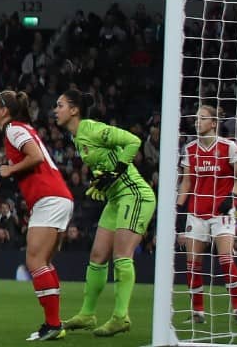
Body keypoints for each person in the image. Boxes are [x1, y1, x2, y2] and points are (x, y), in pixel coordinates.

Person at [56, 88, 153, 337]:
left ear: (74, 110)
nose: (56, 110)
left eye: (60, 105)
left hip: (135, 194)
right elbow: (105, 164)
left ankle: (121, 317)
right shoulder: (77, 138)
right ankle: (87, 315)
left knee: (122, 255)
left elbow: (133, 141)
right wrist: (102, 182)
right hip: (115, 198)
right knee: (98, 255)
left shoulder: (91, 129)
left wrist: (116, 172)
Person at [0, 91, 75, 341]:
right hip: (57, 197)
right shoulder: (20, 128)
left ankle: (53, 324)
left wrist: (10, 169)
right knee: (43, 262)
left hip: (49, 197)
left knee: (35, 261)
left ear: (4, 111)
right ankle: (54, 323)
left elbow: (35, 156)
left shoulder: (13, 129)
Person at [178, 104, 237, 324]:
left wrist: (231, 196)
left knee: (226, 259)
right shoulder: (190, 149)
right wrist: (179, 207)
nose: (197, 122)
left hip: (221, 212)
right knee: (192, 264)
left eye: (202, 118)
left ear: (214, 123)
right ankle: (198, 313)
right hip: (196, 211)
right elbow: (187, 181)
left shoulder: (228, 147)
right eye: (196, 118)